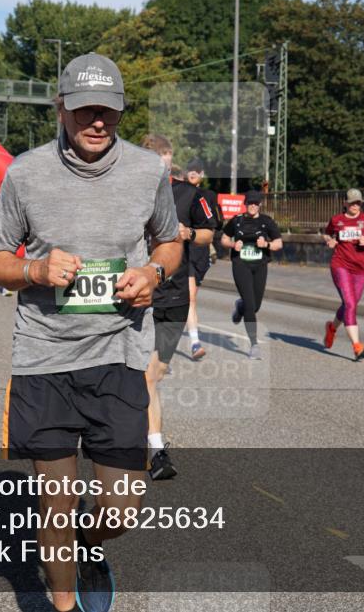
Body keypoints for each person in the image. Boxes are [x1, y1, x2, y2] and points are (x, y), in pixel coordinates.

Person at [0, 53, 181, 612]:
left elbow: (170, 242)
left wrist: (153, 273)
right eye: (85, 110)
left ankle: (85, 546)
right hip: (45, 356)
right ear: (61, 108)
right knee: (57, 503)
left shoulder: (147, 170)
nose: (98, 122)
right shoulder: (26, 173)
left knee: (122, 508)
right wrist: (34, 270)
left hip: (119, 353)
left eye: (109, 111)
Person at [139, 140, 218, 481]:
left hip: (173, 297)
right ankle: (157, 450)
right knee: (144, 376)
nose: (164, 168)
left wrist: (189, 233)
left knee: (154, 375)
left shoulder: (189, 194)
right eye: (158, 161)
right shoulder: (129, 190)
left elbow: (209, 233)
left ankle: (142, 433)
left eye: (168, 163)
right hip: (137, 295)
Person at [221, 190, 283, 360]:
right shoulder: (237, 221)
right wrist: (233, 245)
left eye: (256, 203)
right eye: (250, 203)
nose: (253, 206)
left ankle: (240, 307)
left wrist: (266, 245)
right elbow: (224, 239)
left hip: (260, 266)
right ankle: (254, 344)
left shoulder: (266, 221)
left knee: (255, 306)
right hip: (241, 265)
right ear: (245, 204)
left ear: (260, 205)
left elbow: (278, 243)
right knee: (250, 304)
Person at [322, 188, 364, 361]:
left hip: (361, 269)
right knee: (350, 304)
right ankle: (357, 346)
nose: (355, 206)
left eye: (358, 203)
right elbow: (326, 234)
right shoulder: (337, 220)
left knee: (350, 304)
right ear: (345, 203)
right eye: (352, 203)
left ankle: (332, 328)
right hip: (340, 265)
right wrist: (330, 241)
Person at [185, 159, 221, 359]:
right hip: (181, 250)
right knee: (189, 298)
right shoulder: (177, 192)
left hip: (200, 252)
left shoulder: (208, 196)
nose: (193, 173)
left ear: (202, 174)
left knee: (189, 299)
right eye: (190, 170)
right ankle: (194, 343)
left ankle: (163, 347)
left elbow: (215, 223)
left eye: (196, 170)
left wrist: (210, 244)